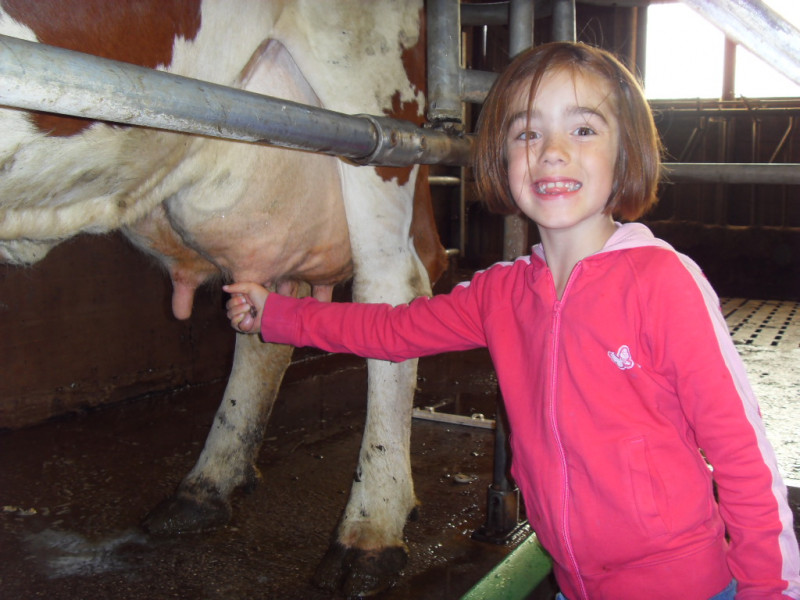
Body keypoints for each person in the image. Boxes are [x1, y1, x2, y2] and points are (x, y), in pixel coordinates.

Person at [223, 42, 800, 599]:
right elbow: (392, 331)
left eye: (583, 129)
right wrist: (278, 314)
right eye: (527, 132)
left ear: (625, 153)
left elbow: (743, 457)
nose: (552, 151)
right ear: (504, 157)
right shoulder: (501, 294)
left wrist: (770, 591)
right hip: (576, 585)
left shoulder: (661, 283)